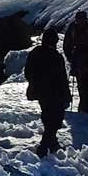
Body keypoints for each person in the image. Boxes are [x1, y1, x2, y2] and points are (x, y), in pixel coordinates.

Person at [25, 28, 73, 156]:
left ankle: (52, 142)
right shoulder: (56, 57)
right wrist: (67, 95)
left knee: (47, 115)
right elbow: (62, 78)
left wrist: (35, 83)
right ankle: (44, 146)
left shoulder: (35, 53)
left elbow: (28, 73)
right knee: (56, 118)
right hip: (55, 92)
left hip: (40, 92)